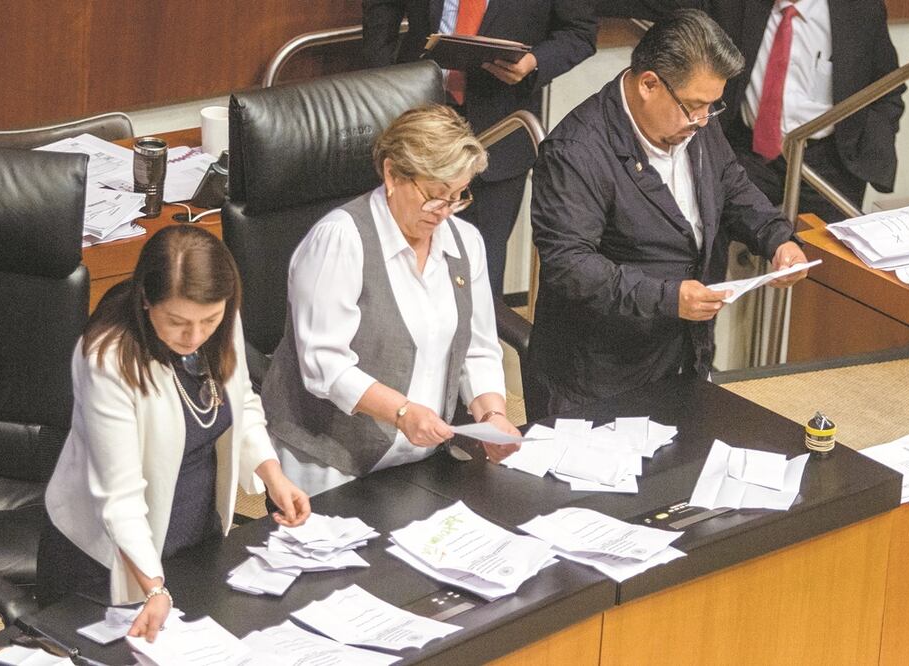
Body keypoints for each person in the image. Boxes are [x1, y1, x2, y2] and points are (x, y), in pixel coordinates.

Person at [524, 10, 809, 420]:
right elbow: (571, 267)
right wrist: (668, 297)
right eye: (693, 106)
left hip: (685, 354)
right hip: (599, 377)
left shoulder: (695, 122)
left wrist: (777, 238)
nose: (703, 120)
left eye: (711, 105)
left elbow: (732, 186)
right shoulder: (575, 151)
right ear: (649, 84)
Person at [37, 225, 310, 642]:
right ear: (147, 300)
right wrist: (153, 587)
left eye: (209, 320)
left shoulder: (220, 321)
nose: (195, 336)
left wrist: (273, 474)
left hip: (194, 534)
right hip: (107, 558)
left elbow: (241, 401)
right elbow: (119, 497)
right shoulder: (108, 359)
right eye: (177, 322)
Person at [261, 105, 520, 496]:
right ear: (392, 174)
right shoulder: (341, 240)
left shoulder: (465, 242)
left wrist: (493, 415)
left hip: (423, 457)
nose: (444, 212)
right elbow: (324, 365)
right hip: (334, 464)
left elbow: (478, 348)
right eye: (434, 196)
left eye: (457, 197)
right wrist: (401, 412)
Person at [361, 0, 598, 295]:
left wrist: (534, 63)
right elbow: (382, 10)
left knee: (479, 274)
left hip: (500, 127)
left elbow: (579, 32)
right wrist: (384, 82)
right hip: (418, 115)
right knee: (400, 265)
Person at [597, 0, 905, 223]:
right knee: (708, 235)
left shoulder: (859, 9)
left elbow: (888, 86)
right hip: (748, 151)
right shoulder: (735, 5)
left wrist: (865, 148)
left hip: (828, 159)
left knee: (825, 271)